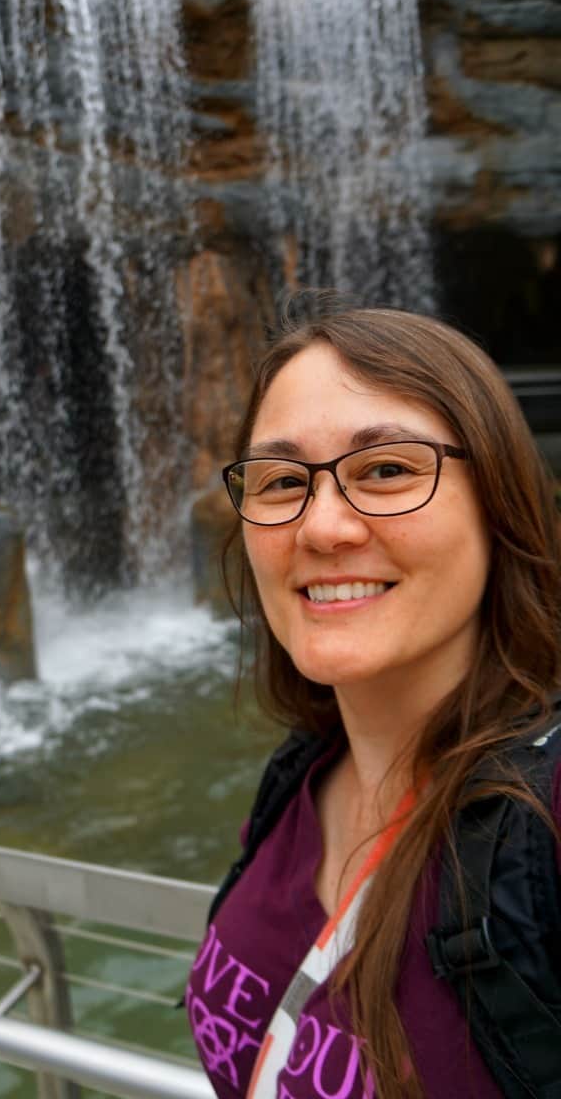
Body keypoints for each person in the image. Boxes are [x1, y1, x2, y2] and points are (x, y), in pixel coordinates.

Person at [185, 306, 561, 1099]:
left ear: (498, 504)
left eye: (387, 469)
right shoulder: (305, 771)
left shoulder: (547, 820)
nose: (323, 527)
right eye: (282, 481)